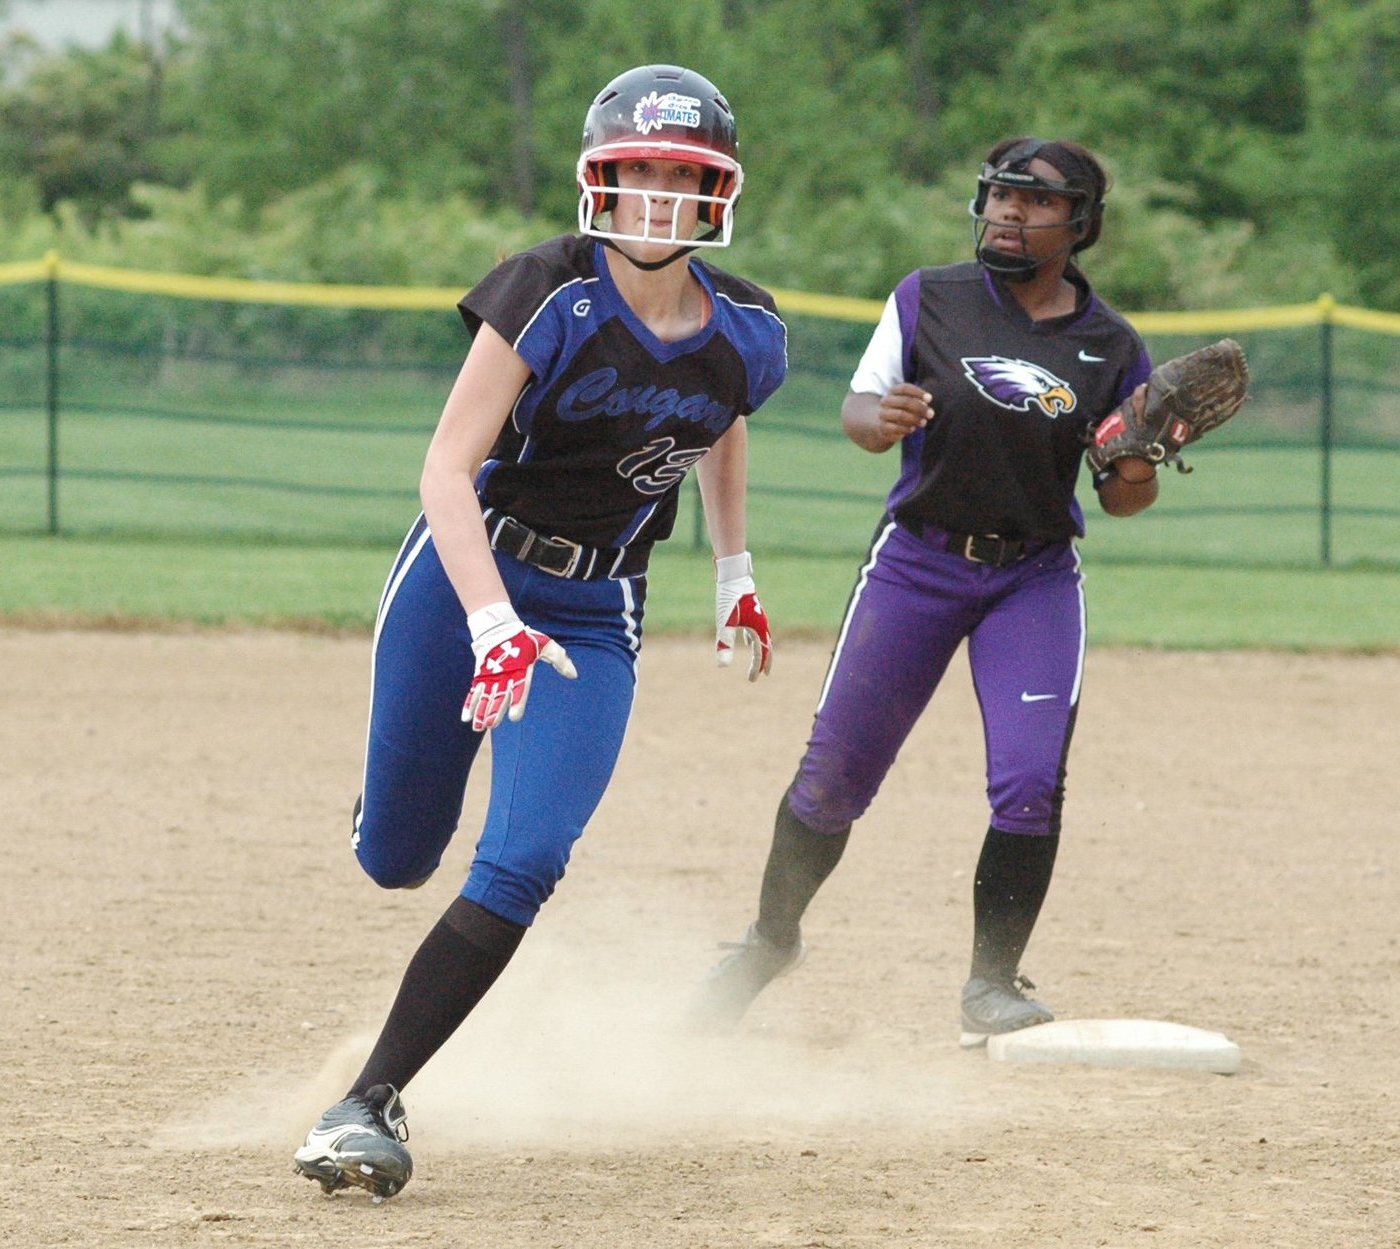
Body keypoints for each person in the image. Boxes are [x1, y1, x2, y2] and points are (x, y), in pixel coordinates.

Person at [291, 63, 786, 1202]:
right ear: (597, 178)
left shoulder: (750, 328)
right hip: (465, 577)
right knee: (397, 859)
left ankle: (365, 1099)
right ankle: (386, 799)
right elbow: (443, 471)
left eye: (681, 172)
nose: (657, 194)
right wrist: (489, 618)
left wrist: (736, 569)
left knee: (523, 858)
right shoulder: (548, 292)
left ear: (716, 189)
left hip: (596, 608)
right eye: (638, 170)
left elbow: (716, 426)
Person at [689, 137, 1159, 1047]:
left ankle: (990, 982)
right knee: (832, 781)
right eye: (999, 197)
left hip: (1032, 575)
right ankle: (768, 942)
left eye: (1035, 202)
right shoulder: (928, 298)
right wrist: (883, 418)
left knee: (1029, 783)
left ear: (1083, 224)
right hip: (918, 561)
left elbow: (1123, 494)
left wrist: (1139, 457)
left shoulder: (1111, 347)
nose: (1010, 215)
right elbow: (860, 412)